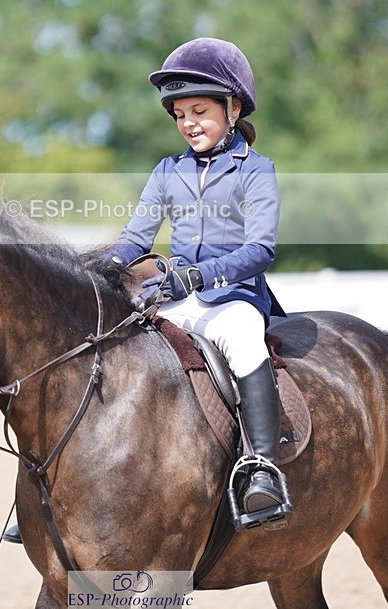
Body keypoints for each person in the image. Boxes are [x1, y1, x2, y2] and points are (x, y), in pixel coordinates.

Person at [104, 37, 290, 527]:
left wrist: (199, 275)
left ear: (232, 109)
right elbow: (135, 238)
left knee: (244, 341)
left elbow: (260, 249)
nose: (188, 123)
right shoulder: (168, 170)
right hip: (173, 298)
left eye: (200, 112)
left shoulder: (256, 171)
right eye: (180, 115)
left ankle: (262, 469)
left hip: (231, 298)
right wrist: (99, 267)